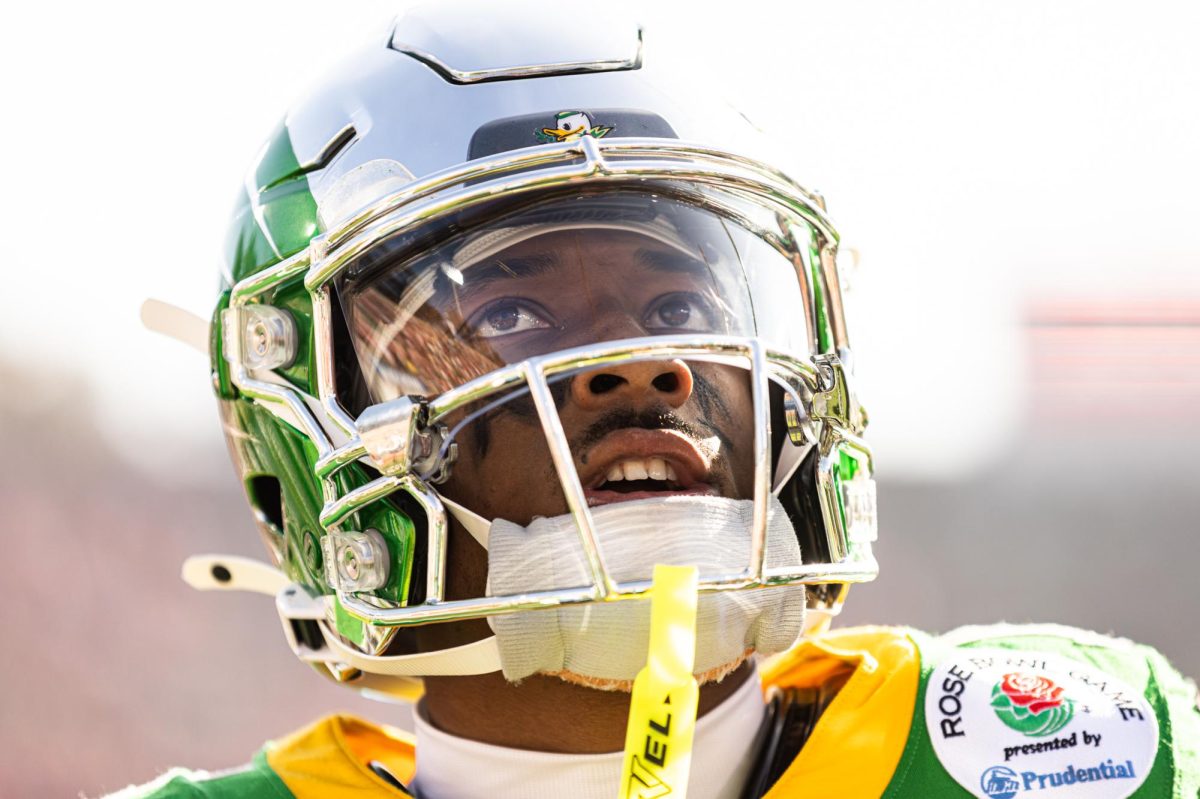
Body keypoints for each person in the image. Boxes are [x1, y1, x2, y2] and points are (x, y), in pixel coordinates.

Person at [116, 3, 1199, 797]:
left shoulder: (1069, 753)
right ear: (315, 428)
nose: (643, 365)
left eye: (681, 303)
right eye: (514, 317)